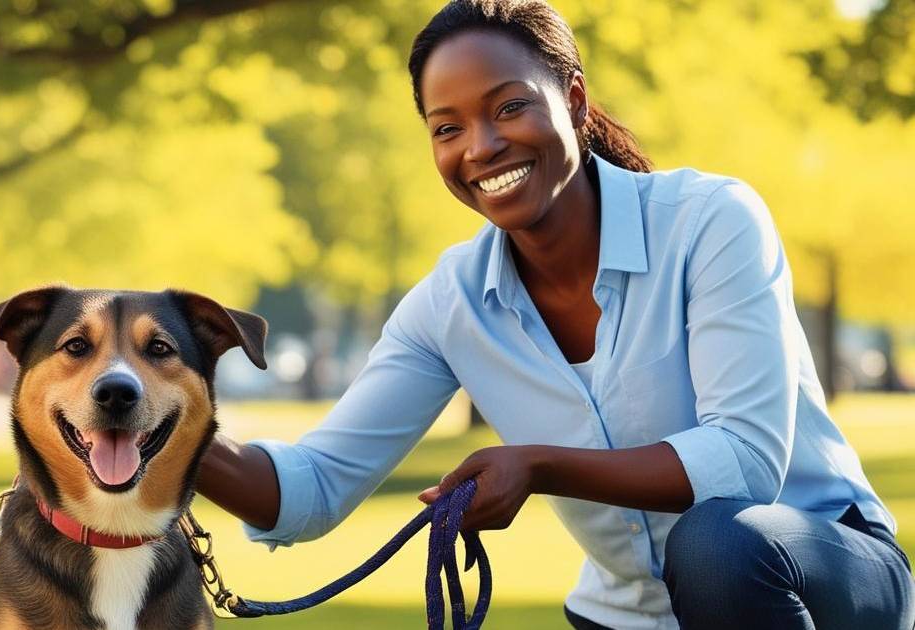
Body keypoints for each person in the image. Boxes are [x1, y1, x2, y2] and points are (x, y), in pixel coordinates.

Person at [197, 1, 915, 628]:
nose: (481, 146)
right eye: (447, 128)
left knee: (716, 545)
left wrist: (538, 465)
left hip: (822, 573)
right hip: (626, 613)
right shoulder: (448, 305)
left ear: (573, 101)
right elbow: (309, 489)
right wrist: (162, 430)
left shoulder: (710, 222)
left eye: (509, 107)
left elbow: (745, 462)